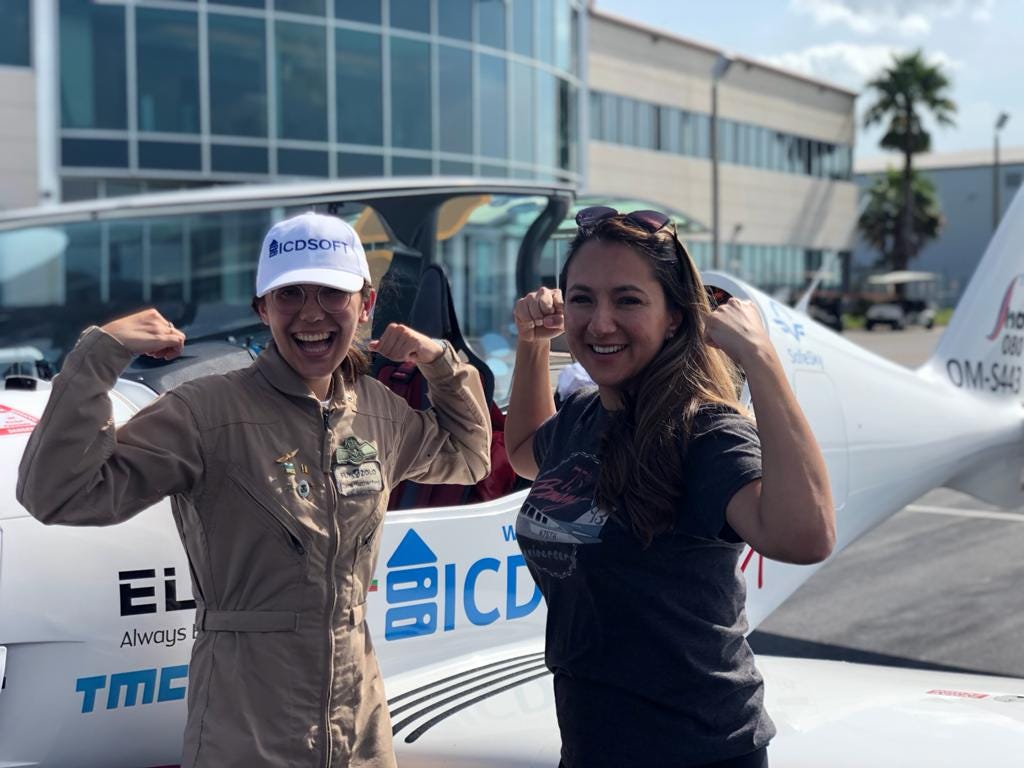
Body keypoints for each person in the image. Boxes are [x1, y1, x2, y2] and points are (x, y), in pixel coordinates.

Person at [16, 211, 492, 768]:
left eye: (332, 293)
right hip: (246, 734)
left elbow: (468, 457)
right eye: (290, 293)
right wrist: (98, 356)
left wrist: (440, 362)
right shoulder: (206, 413)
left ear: (364, 306)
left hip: (358, 729)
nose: (312, 313)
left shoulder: (378, 411)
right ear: (262, 308)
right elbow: (57, 493)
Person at [505, 207, 835, 768]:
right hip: (591, 746)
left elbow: (806, 537)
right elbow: (524, 453)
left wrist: (760, 359)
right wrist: (534, 343)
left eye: (628, 300)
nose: (600, 322)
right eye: (582, 298)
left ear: (677, 317)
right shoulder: (586, 413)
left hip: (699, 750)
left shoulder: (704, 433)